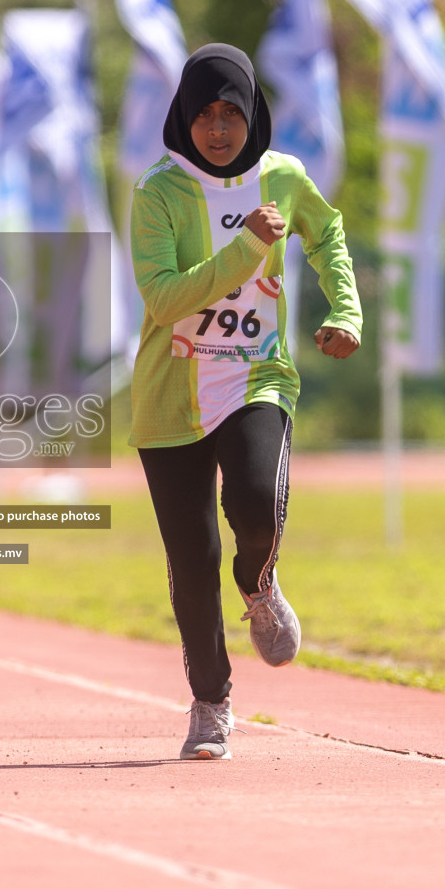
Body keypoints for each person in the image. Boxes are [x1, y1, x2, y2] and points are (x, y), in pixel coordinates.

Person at [128, 44, 361, 760]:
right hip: (171, 396)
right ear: (183, 119)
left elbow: (328, 233)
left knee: (257, 502)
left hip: (257, 377)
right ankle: (211, 704)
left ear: (253, 114)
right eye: (205, 115)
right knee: (190, 559)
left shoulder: (282, 177)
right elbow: (164, 299)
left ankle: (258, 583)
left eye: (232, 113)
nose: (220, 129)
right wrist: (246, 249)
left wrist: (346, 310)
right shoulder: (159, 193)